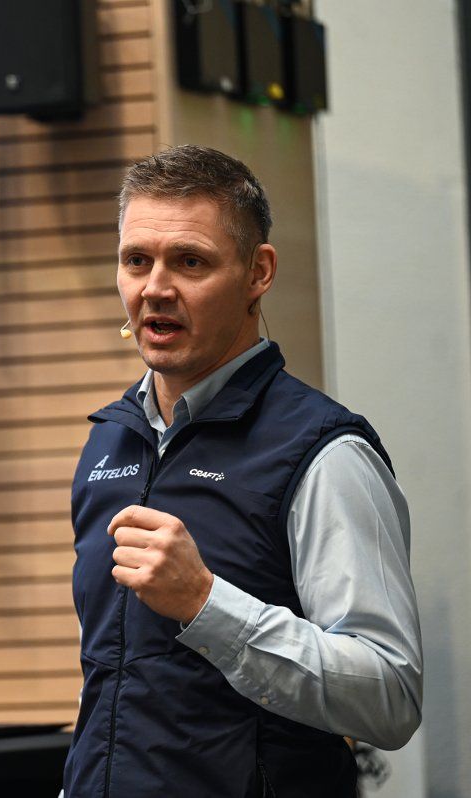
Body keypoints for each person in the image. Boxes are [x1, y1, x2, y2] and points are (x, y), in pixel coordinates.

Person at [60, 145, 422, 797]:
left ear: (259, 272)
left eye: (190, 262)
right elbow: (115, 692)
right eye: (136, 260)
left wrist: (206, 603)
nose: (154, 288)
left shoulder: (326, 453)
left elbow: (389, 696)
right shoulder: (110, 443)